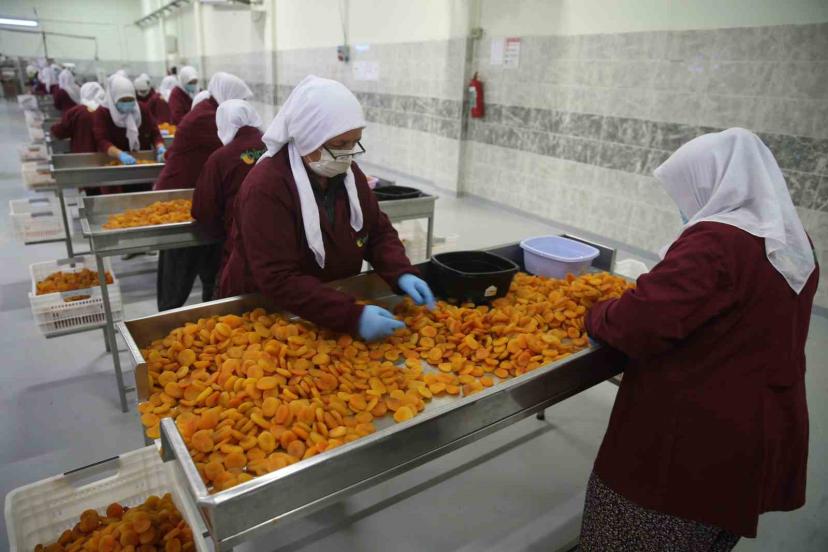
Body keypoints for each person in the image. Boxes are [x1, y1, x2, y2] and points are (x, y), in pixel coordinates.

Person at [579, 128, 818, 551]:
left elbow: (640, 323)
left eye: (684, 191)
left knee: (636, 535)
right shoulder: (792, 241)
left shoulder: (717, 241)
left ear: (712, 182)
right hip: (754, 435)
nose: (683, 204)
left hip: (691, 442)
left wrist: (595, 314)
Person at [220, 75, 435, 341]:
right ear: (308, 138)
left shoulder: (347, 174)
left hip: (326, 307)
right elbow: (278, 277)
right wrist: (351, 316)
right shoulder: (266, 187)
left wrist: (400, 271)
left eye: (354, 142)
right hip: (265, 314)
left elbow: (377, 231)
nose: (348, 154)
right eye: (339, 145)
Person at [153, 71, 253, 311]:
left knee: (208, 261)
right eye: (241, 100)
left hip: (202, 193)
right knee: (180, 264)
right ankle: (167, 314)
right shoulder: (208, 117)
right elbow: (234, 150)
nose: (243, 107)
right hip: (181, 195)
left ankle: (209, 304)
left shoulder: (211, 110)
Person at [192, 99, 265, 275]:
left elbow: (204, 209)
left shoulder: (221, 158)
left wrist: (221, 232)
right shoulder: (275, 146)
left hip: (239, 241)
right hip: (281, 237)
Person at [93, 74, 166, 166]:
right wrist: (120, 154)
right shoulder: (103, 113)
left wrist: (160, 147)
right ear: (113, 98)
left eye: (131, 99)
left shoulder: (141, 109)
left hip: (142, 159)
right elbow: (101, 140)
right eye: (123, 100)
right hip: (114, 161)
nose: (127, 103)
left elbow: (154, 133)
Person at [50, 82, 106, 154]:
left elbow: (61, 131)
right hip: (107, 155)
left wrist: (53, 128)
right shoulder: (107, 110)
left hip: (82, 155)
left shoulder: (77, 111)